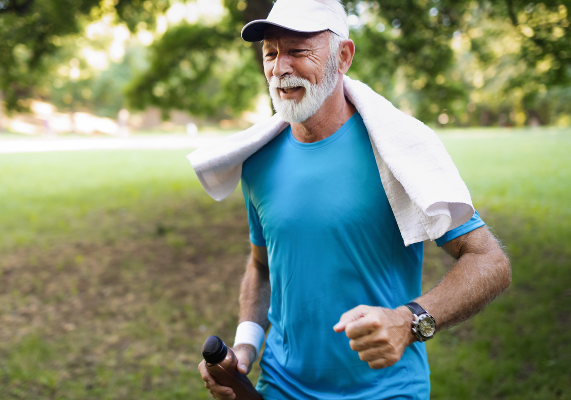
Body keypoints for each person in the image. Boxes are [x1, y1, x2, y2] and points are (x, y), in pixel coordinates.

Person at [197, 0, 512, 399]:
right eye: (271, 53)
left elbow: (490, 260)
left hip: (386, 390)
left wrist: (410, 321)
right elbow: (262, 266)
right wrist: (244, 347)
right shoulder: (258, 161)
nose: (280, 68)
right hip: (279, 386)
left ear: (343, 56)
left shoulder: (397, 153)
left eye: (297, 50)